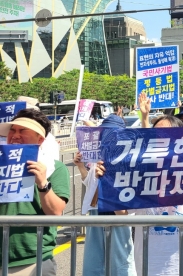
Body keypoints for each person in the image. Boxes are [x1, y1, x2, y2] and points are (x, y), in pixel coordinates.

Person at [96, 114, 183, 276]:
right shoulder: (141, 169)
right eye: (156, 133)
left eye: (168, 134)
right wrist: (108, 182)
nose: (161, 138)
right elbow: (123, 214)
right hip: (149, 262)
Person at [0, 108, 70, 275]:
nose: (15, 135)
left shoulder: (54, 168)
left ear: (40, 139)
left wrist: (43, 183)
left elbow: (55, 213)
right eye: (12, 130)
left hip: (32, 260)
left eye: (22, 130)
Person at [74, 114, 135, 276]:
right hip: (97, 213)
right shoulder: (98, 158)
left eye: (113, 134)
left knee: (120, 263)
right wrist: (81, 166)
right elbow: (89, 184)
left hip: (118, 215)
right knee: (94, 263)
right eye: (105, 133)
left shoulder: (129, 158)